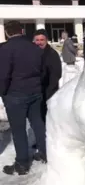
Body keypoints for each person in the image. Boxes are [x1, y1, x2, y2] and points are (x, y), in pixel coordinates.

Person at [0, 21, 46, 175]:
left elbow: (3, 75)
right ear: (22, 30)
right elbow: (42, 70)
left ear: (7, 33)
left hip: (15, 95)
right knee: (38, 124)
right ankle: (46, 153)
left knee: (18, 130)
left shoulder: (5, 49)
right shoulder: (35, 48)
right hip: (35, 92)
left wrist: (3, 92)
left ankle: (22, 163)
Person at [33, 29, 62, 120]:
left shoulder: (52, 54)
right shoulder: (32, 53)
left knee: (47, 117)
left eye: (42, 40)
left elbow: (56, 74)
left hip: (48, 92)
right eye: (37, 40)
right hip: (35, 92)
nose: (39, 42)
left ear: (46, 40)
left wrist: (48, 92)